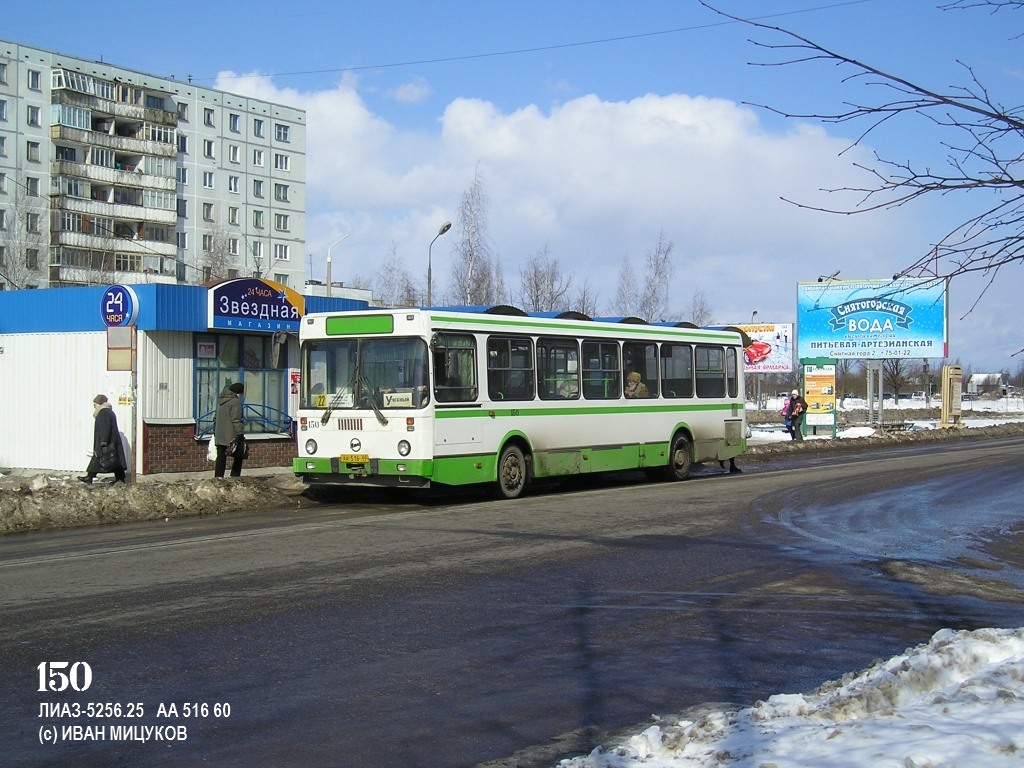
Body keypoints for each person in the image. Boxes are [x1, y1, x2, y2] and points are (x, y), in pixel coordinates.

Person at [79, 394, 127, 484]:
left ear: (99, 403)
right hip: (111, 441)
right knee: (114, 460)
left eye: (95, 404)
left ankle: (89, 477)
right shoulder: (108, 412)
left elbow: (105, 427)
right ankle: (120, 479)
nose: (94, 406)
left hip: (106, 441)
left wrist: (103, 441)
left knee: (100, 457)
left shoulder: (104, 412)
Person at [214, 382, 246, 478]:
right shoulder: (235, 402)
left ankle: (218, 478)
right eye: (241, 394)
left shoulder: (221, 401)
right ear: (238, 393)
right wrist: (240, 434)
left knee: (221, 457)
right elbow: (236, 419)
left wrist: (215, 432)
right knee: (239, 455)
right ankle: (235, 477)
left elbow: (215, 418)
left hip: (219, 435)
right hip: (231, 435)